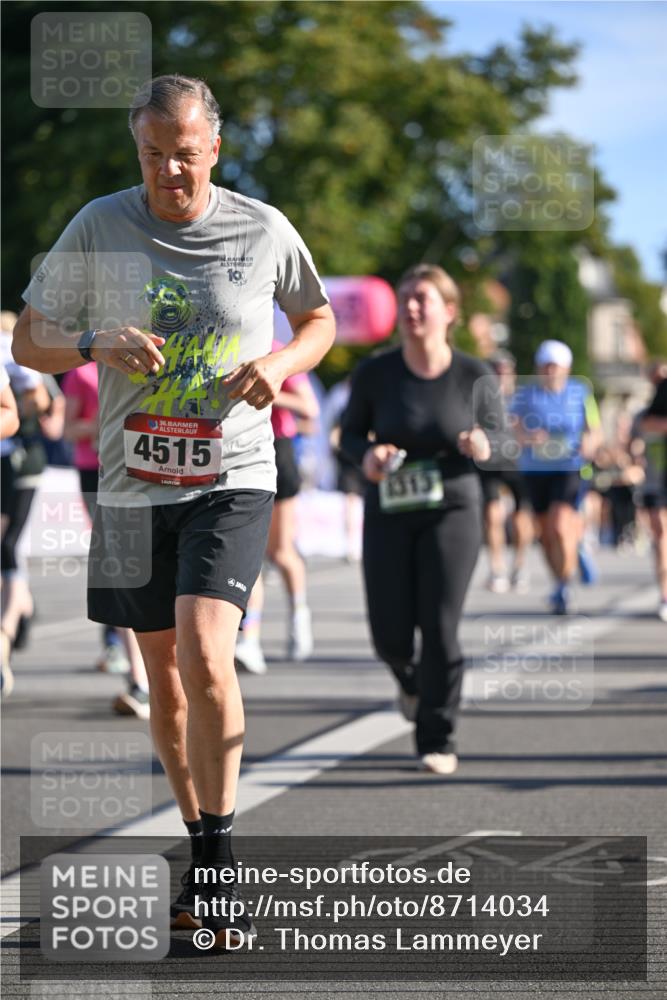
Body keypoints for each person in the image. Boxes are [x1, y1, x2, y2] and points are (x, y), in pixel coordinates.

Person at [12, 74, 335, 947]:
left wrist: (282, 363)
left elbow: (318, 318)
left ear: (214, 150)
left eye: (184, 157)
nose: (168, 174)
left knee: (204, 650)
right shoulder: (99, 225)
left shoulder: (260, 227)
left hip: (230, 473)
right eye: (152, 156)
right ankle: (199, 835)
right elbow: (26, 339)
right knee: (161, 683)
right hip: (127, 484)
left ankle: (221, 864)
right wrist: (91, 341)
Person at [340, 263, 504, 776]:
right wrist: (368, 459)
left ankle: (438, 735)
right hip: (390, 507)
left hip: (453, 507)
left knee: (439, 626)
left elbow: (503, 441)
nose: (411, 307)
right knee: (390, 634)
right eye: (405, 297)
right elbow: (348, 438)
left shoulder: (475, 374)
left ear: (449, 312)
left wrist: (484, 444)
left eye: (423, 299)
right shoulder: (375, 372)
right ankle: (411, 684)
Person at [61, 361, 151, 717]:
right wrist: (103, 424)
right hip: (96, 472)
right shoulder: (81, 372)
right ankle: (139, 680)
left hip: (147, 467)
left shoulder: (149, 356)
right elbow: (66, 430)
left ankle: (160, 672)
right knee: (122, 569)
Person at [234, 340, 320, 674]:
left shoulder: (278, 349)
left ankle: (299, 613)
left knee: (281, 551)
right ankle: (249, 641)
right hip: (237, 452)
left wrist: (264, 386)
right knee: (248, 556)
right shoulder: (220, 343)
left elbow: (309, 408)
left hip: (277, 451)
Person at [511, 340, 603, 615]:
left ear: (567, 368)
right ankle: (561, 578)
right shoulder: (526, 395)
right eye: (546, 366)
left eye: (556, 366)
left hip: (569, 467)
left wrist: (590, 444)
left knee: (560, 524)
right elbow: (511, 428)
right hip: (535, 470)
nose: (551, 371)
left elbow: (595, 429)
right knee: (545, 533)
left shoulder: (580, 391)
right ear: (539, 368)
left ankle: (564, 584)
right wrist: (527, 438)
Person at [477, 350, 533, 593]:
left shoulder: (523, 398)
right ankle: (497, 568)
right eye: (496, 371)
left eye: (505, 371)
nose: (501, 375)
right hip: (490, 462)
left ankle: (519, 566)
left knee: (521, 516)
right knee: (492, 514)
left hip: (517, 463)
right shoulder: (481, 398)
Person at [632, 363, 667, 620]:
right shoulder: (648, 410)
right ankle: (665, 595)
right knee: (661, 534)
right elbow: (644, 428)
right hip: (657, 479)